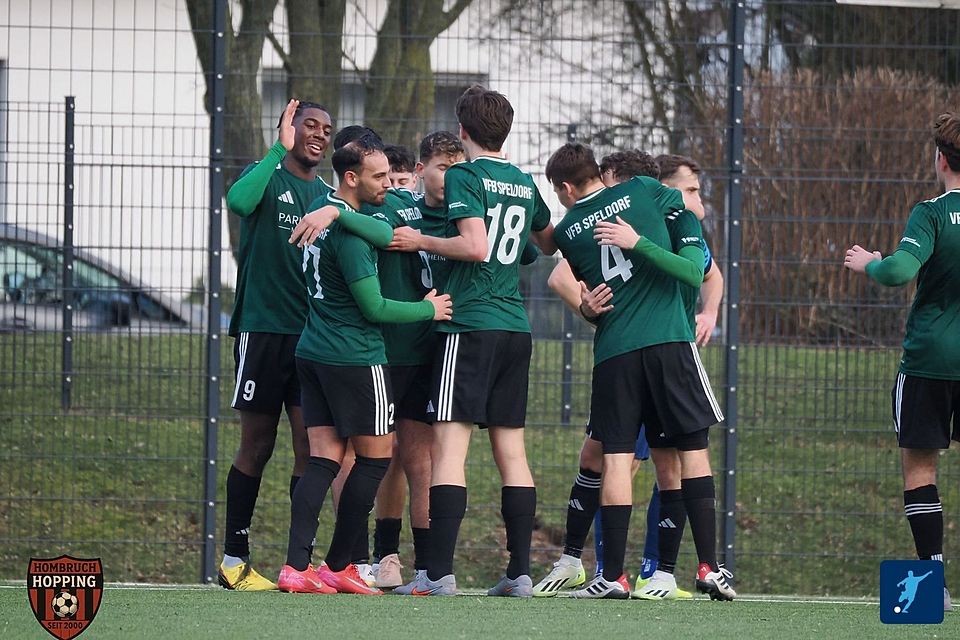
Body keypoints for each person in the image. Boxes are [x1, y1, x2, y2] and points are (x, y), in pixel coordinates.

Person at [387, 85, 557, 597]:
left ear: (463, 131)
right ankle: (519, 574)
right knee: (512, 452)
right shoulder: (524, 182)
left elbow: (475, 245)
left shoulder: (465, 173)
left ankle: (438, 574)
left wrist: (421, 240)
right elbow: (546, 241)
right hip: (515, 328)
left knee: (449, 451)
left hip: (470, 325)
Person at [548, 142, 726, 600]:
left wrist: (587, 307)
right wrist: (641, 238)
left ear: (566, 188)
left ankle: (619, 574)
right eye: (688, 189)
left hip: (617, 350)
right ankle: (704, 566)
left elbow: (562, 266)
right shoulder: (648, 195)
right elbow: (694, 267)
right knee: (689, 452)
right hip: (666, 342)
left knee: (618, 460)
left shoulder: (569, 227)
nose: (692, 198)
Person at [277, 134, 453, 595]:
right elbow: (374, 307)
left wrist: (336, 209)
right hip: (355, 356)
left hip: (312, 352)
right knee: (375, 461)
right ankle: (341, 564)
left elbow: (384, 231)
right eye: (378, 177)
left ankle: (296, 567)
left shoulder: (329, 218)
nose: (387, 186)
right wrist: (427, 310)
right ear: (351, 178)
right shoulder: (350, 237)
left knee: (323, 461)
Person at [844, 111, 960, 614]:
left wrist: (869, 260)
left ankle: (931, 579)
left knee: (920, 467)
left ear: (940, 159)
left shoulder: (931, 214)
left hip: (931, 360)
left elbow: (897, 272)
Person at [219, 99, 332, 591]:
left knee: (311, 446)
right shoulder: (268, 176)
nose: (320, 134)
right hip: (262, 330)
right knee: (258, 443)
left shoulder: (328, 194)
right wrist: (275, 150)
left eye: (326, 129)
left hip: (310, 338)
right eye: (310, 124)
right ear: (291, 127)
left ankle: (298, 565)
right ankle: (233, 560)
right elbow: (238, 202)